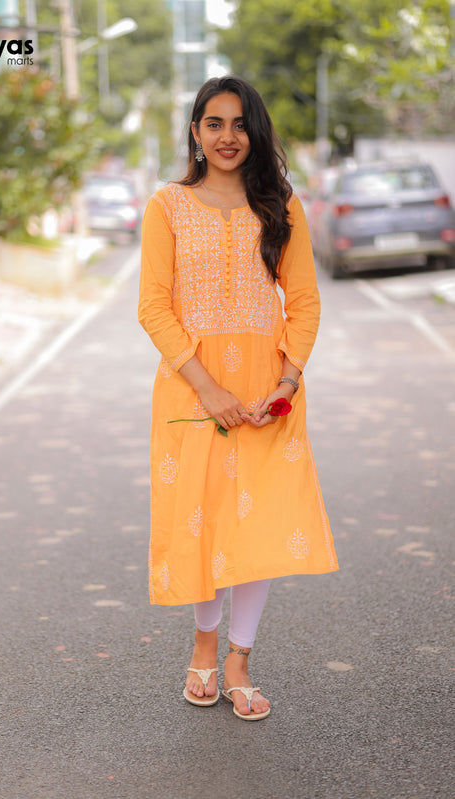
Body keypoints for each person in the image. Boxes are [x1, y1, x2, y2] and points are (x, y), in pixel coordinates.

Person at [138, 76, 338, 721]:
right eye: (214, 123)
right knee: (203, 519)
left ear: (257, 132)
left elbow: (303, 301)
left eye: (240, 123)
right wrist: (210, 388)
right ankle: (202, 648)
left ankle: (239, 661)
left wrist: (287, 381)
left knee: (257, 526)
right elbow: (154, 309)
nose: (228, 136)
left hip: (268, 391)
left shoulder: (282, 205)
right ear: (195, 132)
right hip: (193, 386)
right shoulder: (167, 205)